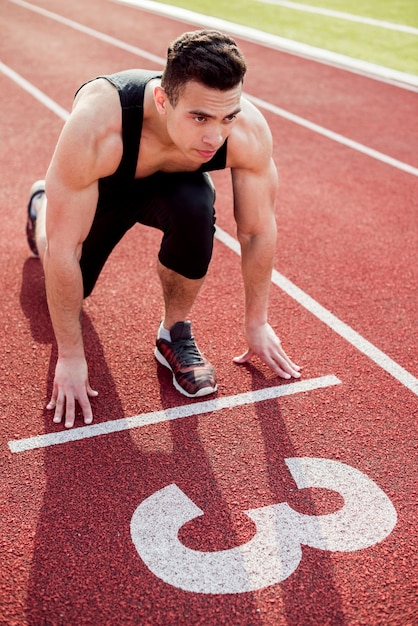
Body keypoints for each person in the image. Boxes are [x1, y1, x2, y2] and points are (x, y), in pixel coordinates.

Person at [26, 29, 300, 429]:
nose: (214, 136)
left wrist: (256, 322)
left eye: (228, 117)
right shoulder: (98, 128)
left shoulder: (245, 133)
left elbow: (256, 231)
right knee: (65, 267)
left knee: (196, 210)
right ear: (162, 99)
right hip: (107, 183)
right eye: (200, 117)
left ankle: (174, 332)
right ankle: (41, 204)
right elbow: (64, 251)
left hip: (174, 185)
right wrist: (70, 355)